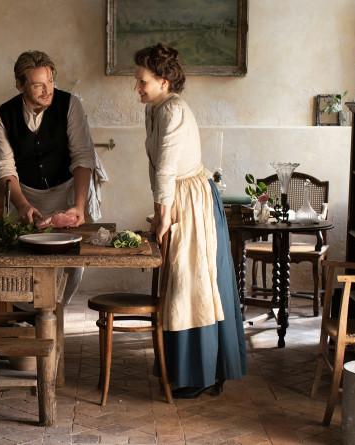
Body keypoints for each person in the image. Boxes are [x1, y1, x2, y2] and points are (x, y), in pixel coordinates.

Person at [133, 43, 246, 398]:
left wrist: (163, 216)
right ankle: (189, 369)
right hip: (178, 197)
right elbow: (159, 170)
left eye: (143, 81)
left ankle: (204, 374)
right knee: (182, 286)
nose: (137, 87)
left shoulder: (173, 110)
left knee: (192, 285)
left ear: (164, 81)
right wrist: (161, 210)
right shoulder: (155, 108)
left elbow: (166, 168)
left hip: (191, 201)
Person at [0, 50, 98, 304]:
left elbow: (83, 158)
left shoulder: (70, 105)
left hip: (67, 192)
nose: (47, 90)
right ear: (20, 85)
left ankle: (55, 314)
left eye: (50, 82)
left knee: (70, 265)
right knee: (23, 262)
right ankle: (33, 317)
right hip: (26, 195)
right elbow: (5, 168)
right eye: (38, 85)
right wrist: (23, 205)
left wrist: (79, 206)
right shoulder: (4, 115)